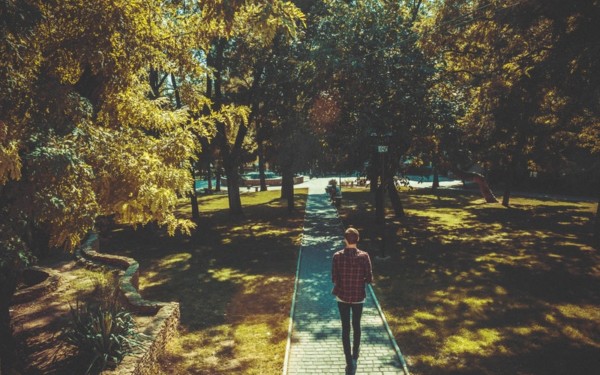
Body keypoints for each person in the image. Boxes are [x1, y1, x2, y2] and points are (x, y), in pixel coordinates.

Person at [332, 227, 373, 374]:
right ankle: (355, 356)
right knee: (356, 326)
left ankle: (348, 361)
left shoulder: (337, 256)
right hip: (358, 297)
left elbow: (334, 278)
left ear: (345, 240)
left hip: (342, 296)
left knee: (345, 328)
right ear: (358, 239)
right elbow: (369, 279)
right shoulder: (364, 256)